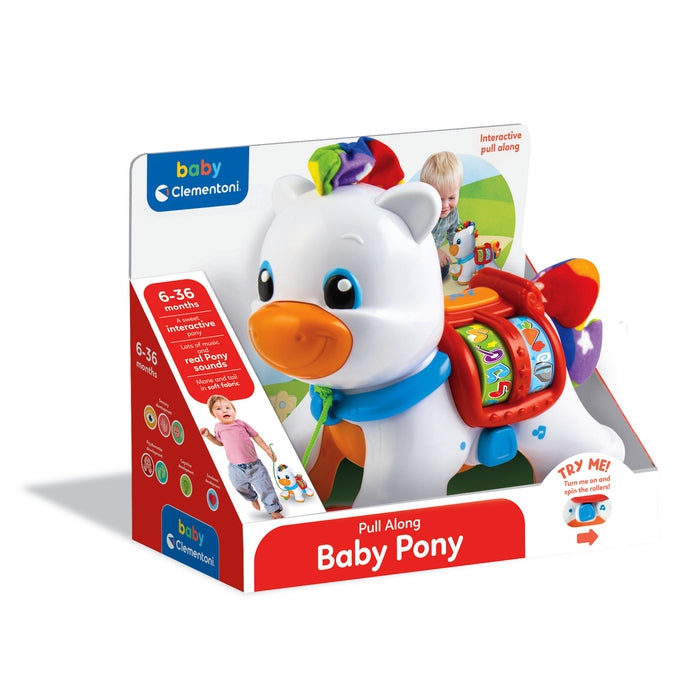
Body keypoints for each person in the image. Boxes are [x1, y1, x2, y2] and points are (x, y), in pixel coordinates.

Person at [200, 395, 283, 519]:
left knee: (265, 487)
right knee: (239, 486)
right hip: (235, 468)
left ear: (234, 411)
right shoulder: (218, 427)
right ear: (213, 414)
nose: (224, 410)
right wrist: (208, 436)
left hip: (255, 466)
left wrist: (267, 449)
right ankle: (252, 498)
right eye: (218, 409)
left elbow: (256, 436)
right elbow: (221, 443)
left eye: (228, 407)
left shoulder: (241, 424)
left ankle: (273, 509)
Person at [420, 151, 463, 278]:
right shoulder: (422, 212)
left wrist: (462, 250)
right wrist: (434, 251)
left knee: (444, 269)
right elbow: (415, 241)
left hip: (432, 254)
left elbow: (455, 233)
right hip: (417, 253)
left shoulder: (452, 213)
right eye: (439, 199)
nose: (445, 205)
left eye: (451, 198)